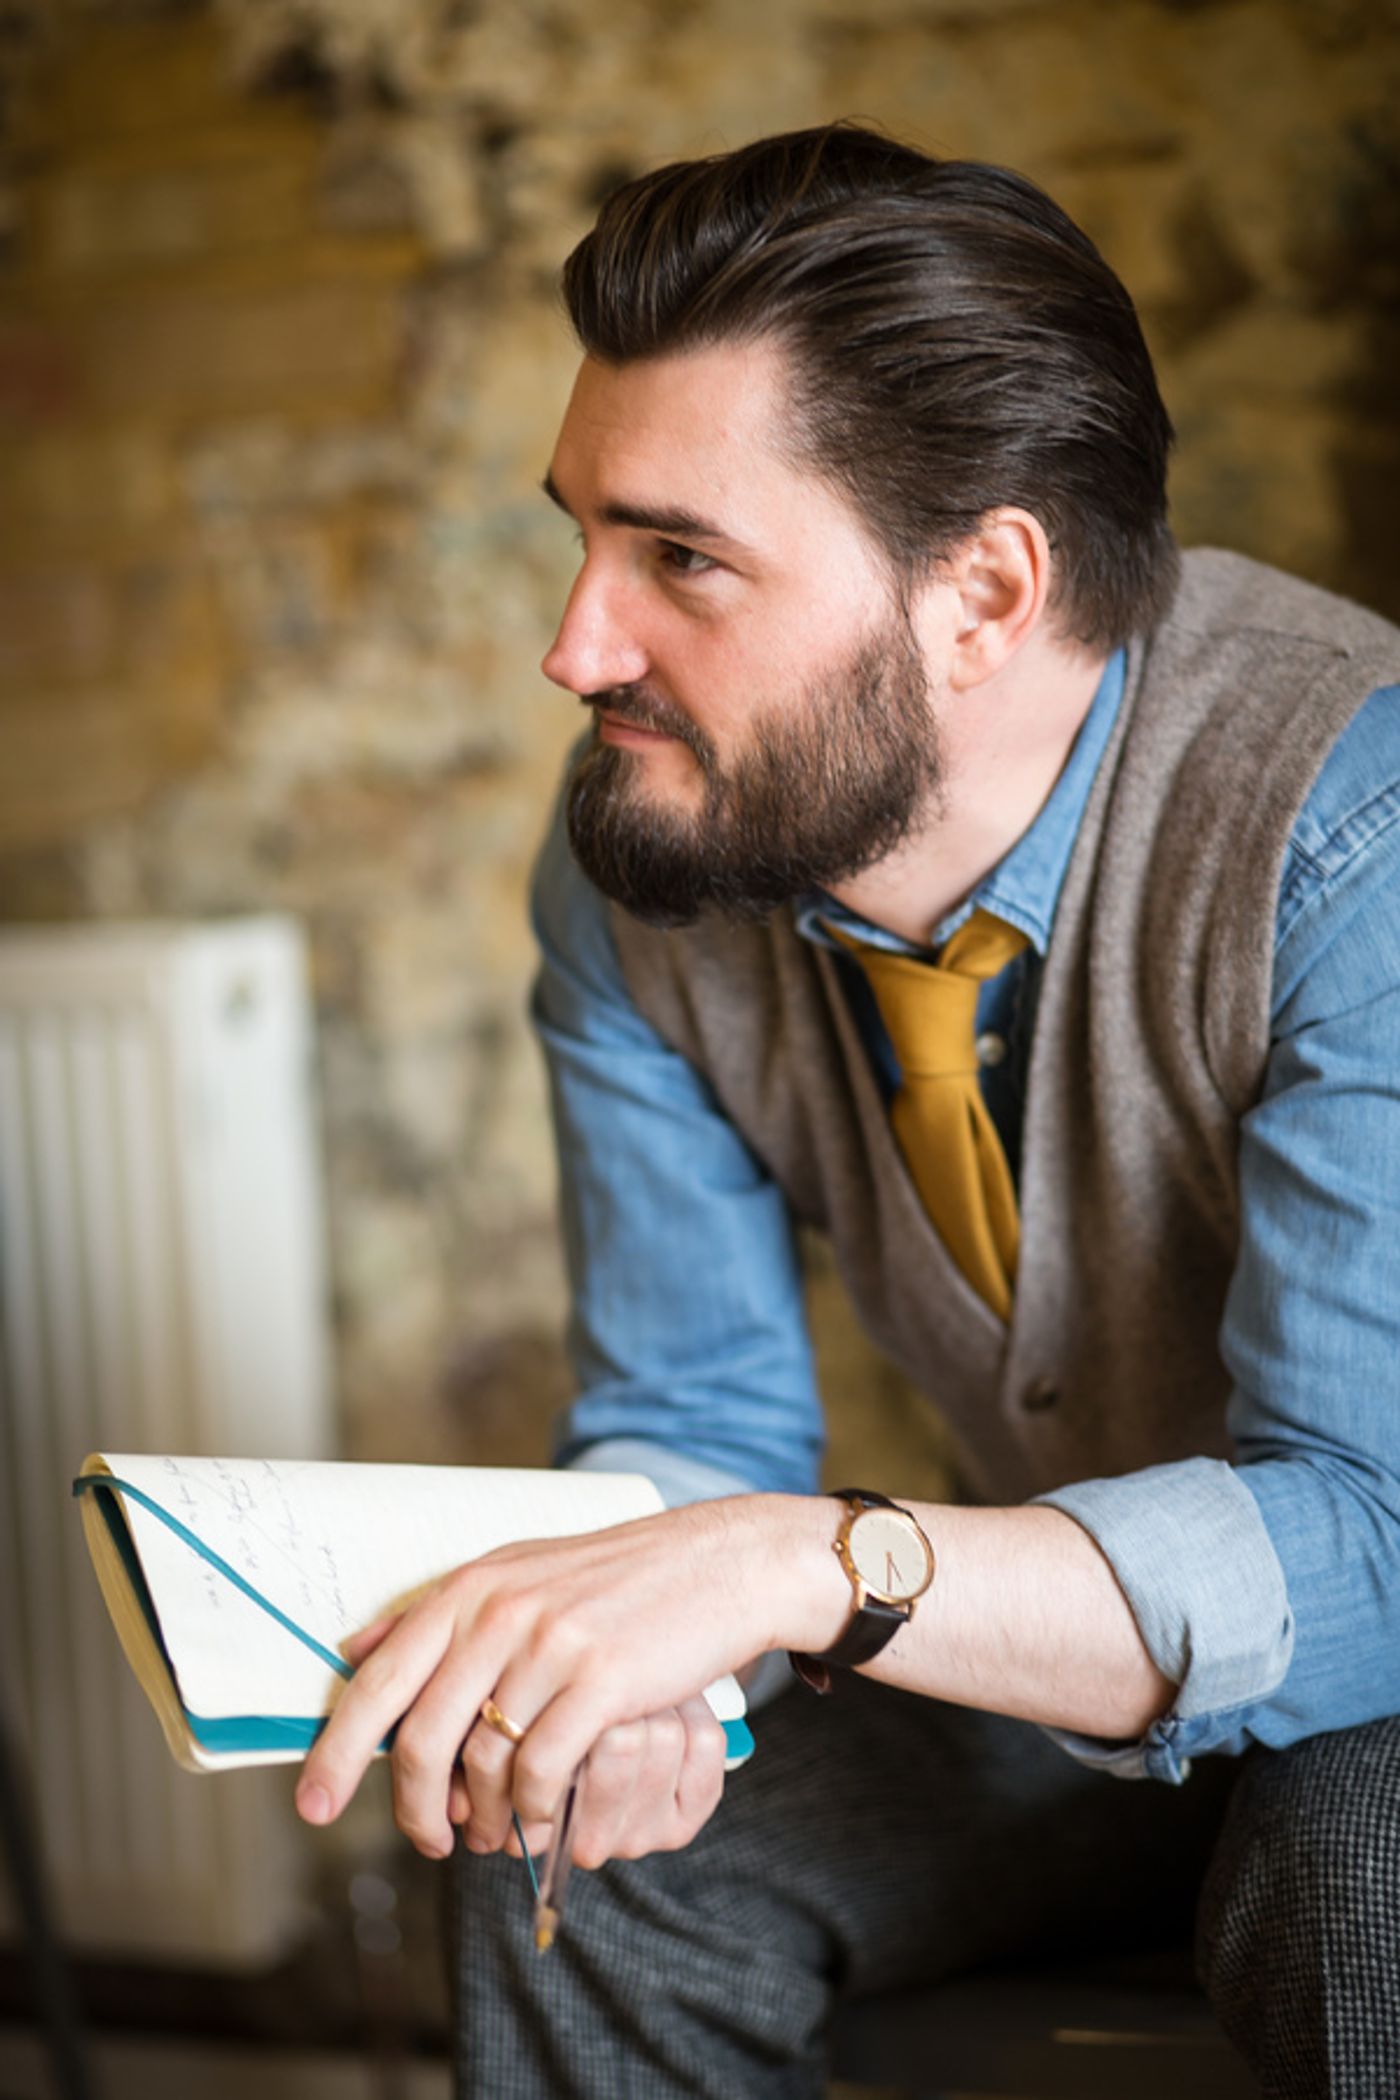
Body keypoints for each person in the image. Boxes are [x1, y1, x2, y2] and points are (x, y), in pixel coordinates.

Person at [295, 124, 1400, 2097]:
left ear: (981, 591)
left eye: (679, 558)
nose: (574, 646)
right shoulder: (636, 854)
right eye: (578, 532)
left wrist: (804, 1569)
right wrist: (652, 1655)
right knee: (587, 1830)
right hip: (1037, 1676)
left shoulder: (1359, 828)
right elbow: (695, 1415)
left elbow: (1375, 1546)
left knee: (1369, 1851)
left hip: (1378, 1689)